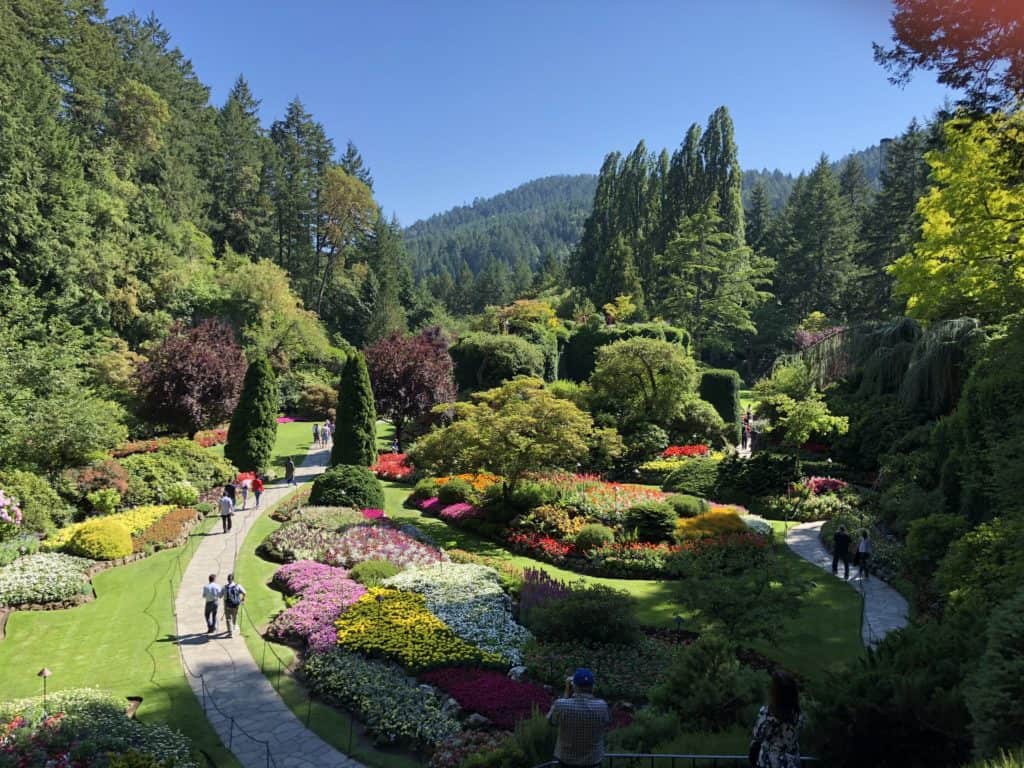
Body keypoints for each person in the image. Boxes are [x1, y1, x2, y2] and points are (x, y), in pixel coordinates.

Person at [547, 668, 612, 768]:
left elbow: (551, 722)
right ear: (592, 686)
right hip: (592, 762)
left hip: (566, 762)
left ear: (574, 686)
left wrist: (566, 692)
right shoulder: (602, 706)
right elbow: (607, 723)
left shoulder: (561, 704)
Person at [749, 670, 804, 768]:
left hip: (769, 762)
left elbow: (757, 735)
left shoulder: (768, 714)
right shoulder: (798, 715)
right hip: (791, 763)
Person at [222, 573, 246, 638]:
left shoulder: (225, 587)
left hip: (227, 606)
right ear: (233, 579)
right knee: (234, 615)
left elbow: (220, 595)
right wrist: (243, 599)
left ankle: (230, 632)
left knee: (228, 619)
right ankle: (234, 625)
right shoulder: (238, 586)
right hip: (236, 605)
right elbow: (244, 593)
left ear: (227, 579)